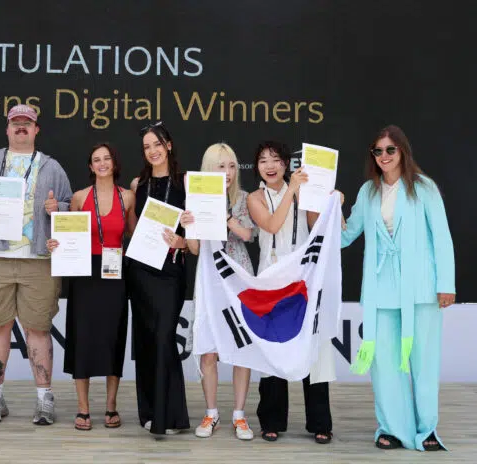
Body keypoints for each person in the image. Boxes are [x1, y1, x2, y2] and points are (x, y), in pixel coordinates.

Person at [342, 125, 455, 451]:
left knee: (423, 362)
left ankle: (427, 430)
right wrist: (324, 210)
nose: (384, 156)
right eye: (378, 151)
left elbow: (442, 237)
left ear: (402, 151)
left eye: (390, 149)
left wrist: (445, 284)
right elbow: (347, 235)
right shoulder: (368, 191)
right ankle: (392, 429)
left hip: (422, 287)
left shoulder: (424, 187)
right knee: (384, 364)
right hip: (381, 289)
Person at [0, 104, 72, 426]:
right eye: (16, 122)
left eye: (27, 123)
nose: (21, 127)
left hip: (38, 258)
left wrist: (58, 208)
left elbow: (69, 207)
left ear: (36, 129)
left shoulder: (52, 166)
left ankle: (44, 400)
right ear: (7, 128)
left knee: (38, 328)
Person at [246, 141, 333, 444]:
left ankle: (320, 422)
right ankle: (271, 420)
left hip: (303, 279)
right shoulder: (255, 198)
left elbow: (316, 224)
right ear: (257, 167)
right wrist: (292, 190)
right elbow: (271, 225)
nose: (270, 166)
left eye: (275, 160)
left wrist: (328, 199)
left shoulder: (303, 191)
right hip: (269, 282)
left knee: (312, 348)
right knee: (273, 350)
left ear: (286, 164)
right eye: (263, 161)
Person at [46, 143, 136, 431]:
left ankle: (111, 406)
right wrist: (56, 243)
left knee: (113, 338)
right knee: (82, 338)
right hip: (84, 274)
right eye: (96, 159)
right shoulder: (79, 197)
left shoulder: (128, 196)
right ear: (90, 166)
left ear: (114, 163)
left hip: (115, 273)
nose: (102, 163)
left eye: (107, 158)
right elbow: (68, 235)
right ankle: (83, 408)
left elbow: (134, 233)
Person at [181, 143, 257, 440]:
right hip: (209, 278)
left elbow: (247, 234)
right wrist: (188, 225)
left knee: (242, 349)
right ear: (208, 169)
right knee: (208, 349)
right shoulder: (195, 198)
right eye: (220, 166)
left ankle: (239, 415)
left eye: (232, 166)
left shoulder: (243, 199)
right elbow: (194, 248)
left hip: (238, 279)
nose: (227, 172)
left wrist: (223, 214)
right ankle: (211, 413)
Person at [126, 121, 190, 436]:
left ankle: (171, 416)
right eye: (146, 147)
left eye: (157, 144)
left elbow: (197, 231)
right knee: (146, 341)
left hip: (171, 271)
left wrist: (182, 241)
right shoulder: (138, 184)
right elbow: (132, 228)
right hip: (140, 271)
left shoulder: (186, 182)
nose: (152, 151)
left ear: (169, 145)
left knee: (165, 338)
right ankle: (150, 413)